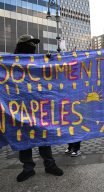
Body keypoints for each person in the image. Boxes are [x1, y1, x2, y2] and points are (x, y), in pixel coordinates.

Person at [14, 34, 63, 182]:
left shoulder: (39, 60)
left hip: (39, 105)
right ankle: (28, 168)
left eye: (34, 44)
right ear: (22, 45)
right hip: (20, 106)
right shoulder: (11, 62)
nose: (34, 46)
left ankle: (50, 164)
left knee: (43, 135)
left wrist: (50, 60)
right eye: (30, 43)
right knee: (23, 138)